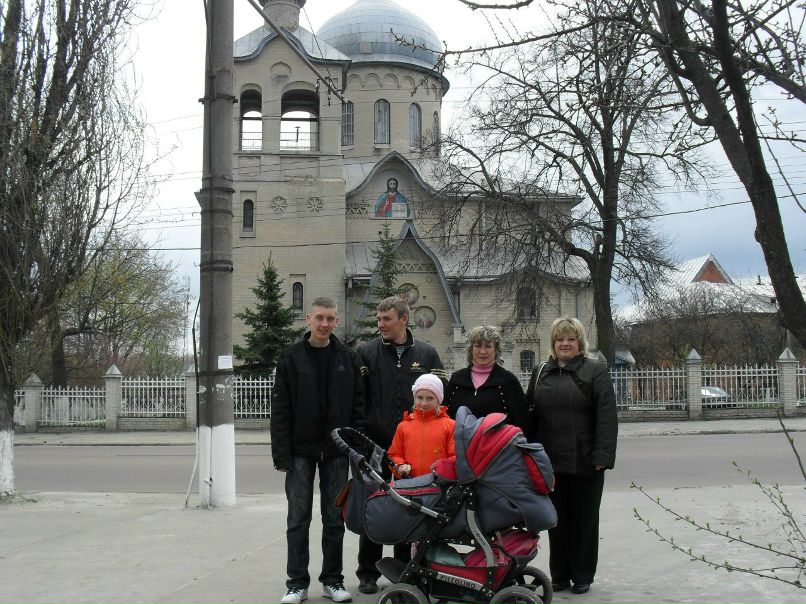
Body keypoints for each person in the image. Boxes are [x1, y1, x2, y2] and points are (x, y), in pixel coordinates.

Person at [271, 297, 365, 604]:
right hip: (299, 451)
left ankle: (333, 580)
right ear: (308, 319)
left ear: (336, 322)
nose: (325, 324)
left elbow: (357, 407)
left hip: (336, 452)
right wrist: (281, 454)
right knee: (298, 518)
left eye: (330, 319)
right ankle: (296, 583)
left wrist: (353, 447)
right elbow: (281, 409)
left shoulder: (347, 357)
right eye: (320, 318)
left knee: (334, 518)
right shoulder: (291, 357)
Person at [355, 295, 446, 593]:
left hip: (414, 450)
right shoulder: (366, 354)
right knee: (374, 507)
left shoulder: (428, 354)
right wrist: (361, 440)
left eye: (386, 319)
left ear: (403, 319)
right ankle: (368, 572)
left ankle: (406, 571)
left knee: (410, 508)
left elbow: (443, 402)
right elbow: (358, 400)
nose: (381, 324)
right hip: (376, 448)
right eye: (379, 319)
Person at [525, 317, 617, 595]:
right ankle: (560, 575)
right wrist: (526, 452)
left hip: (587, 461)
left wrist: (602, 455)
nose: (565, 344)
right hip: (550, 463)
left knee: (585, 521)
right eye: (560, 339)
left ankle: (582, 575)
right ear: (553, 343)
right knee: (556, 521)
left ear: (580, 342)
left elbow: (607, 417)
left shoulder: (595, 371)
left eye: (571, 339)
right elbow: (531, 413)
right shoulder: (542, 371)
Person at [444, 325, 529, 431]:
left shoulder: (508, 381)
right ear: (471, 349)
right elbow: (444, 418)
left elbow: (523, 422)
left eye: (488, 346)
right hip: (460, 446)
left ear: (496, 350)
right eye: (478, 346)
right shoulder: (457, 380)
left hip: (498, 446)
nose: (482, 351)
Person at [388, 374, 455, 479]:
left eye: (430, 398)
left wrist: (442, 469)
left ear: (439, 400)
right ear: (414, 398)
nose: (424, 403)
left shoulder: (450, 425)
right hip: (409, 485)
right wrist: (401, 465)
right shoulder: (403, 426)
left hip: (439, 487)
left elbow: (455, 458)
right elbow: (393, 455)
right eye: (419, 397)